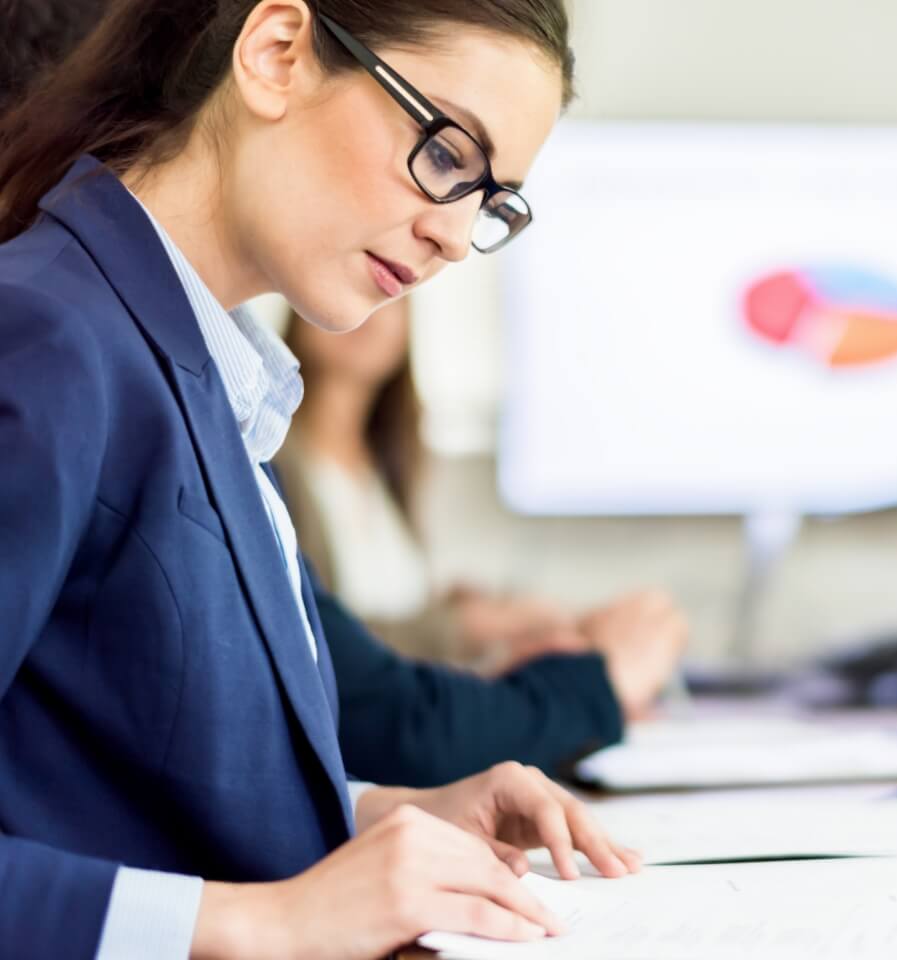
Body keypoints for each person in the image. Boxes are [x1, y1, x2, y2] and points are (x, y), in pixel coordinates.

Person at [0, 1, 649, 956]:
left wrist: (382, 814)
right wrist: (269, 923)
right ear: (274, 56)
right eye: (446, 154)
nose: (455, 236)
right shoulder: (46, 337)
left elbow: (107, 776)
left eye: (491, 199)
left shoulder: (196, 373)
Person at [278, 298, 684, 674]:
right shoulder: (272, 459)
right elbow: (316, 636)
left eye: (390, 302)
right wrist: (467, 627)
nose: (369, 314)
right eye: (354, 290)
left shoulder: (392, 464)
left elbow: (385, 613)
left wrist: (460, 609)